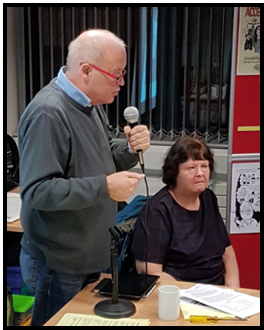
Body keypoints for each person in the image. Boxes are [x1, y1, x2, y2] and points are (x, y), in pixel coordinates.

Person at [18, 28, 150, 326]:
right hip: (60, 262)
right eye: (116, 74)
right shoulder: (48, 113)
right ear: (87, 70)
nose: (122, 82)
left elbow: (97, 158)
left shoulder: (90, 105)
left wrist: (128, 149)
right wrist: (104, 186)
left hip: (90, 253)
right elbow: (38, 192)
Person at [131, 137, 240, 288]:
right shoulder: (158, 210)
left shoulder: (208, 198)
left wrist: (233, 292)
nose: (200, 173)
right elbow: (150, 271)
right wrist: (194, 295)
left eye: (204, 166)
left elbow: (228, 254)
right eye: (191, 168)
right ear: (175, 172)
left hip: (218, 293)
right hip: (180, 294)